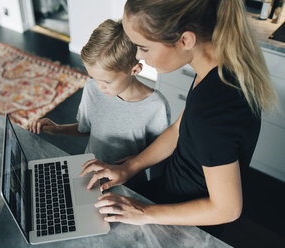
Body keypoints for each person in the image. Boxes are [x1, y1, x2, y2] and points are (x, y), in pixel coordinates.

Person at [80, 0, 278, 228]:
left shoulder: (214, 108)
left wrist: (144, 212)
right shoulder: (217, 67)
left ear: (185, 40)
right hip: (171, 190)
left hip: (187, 218)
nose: (138, 56)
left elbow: (227, 208)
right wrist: (130, 167)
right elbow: (178, 129)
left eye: (143, 47)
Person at [27, 19, 170, 189]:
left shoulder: (156, 106)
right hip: (90, 172)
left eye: (106, 82)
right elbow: (86, 129)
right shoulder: (92, 88)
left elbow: (160, 154)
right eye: (94, 78)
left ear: (135, 70)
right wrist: (57, 128)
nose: (99, 86)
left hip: (128, 182)